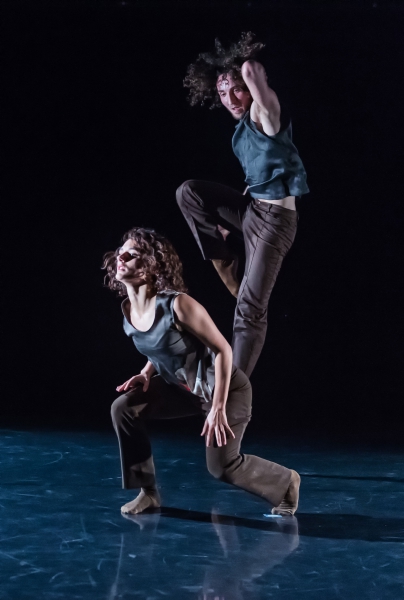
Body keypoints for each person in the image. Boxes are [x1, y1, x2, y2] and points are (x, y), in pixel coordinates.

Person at [103, 227, 300, 516]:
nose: (121, 257)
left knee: (222, 467)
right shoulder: (128, 310)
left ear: (150, 266)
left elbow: (223, 350)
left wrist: (218, 407)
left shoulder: (178, 304)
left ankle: (286, 482)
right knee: (124, 408)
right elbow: (159, 344)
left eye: (132, 254)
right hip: (183, 390)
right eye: (121, 252)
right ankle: (148, 492)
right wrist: (146, 372)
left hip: (226, 390)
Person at [176, 32, 309, 377]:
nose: (231, 99)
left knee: (249, 310)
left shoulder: (267, 114)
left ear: (251, 89)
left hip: (275, 223)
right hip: (253, 212)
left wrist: (242, 66)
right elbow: (258, 175)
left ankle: (234, 391)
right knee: (189, 192)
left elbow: (251, 69)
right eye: (222, 93)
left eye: (237, 89)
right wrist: (226, 223)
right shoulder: (241, 132)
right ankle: (227, 267)